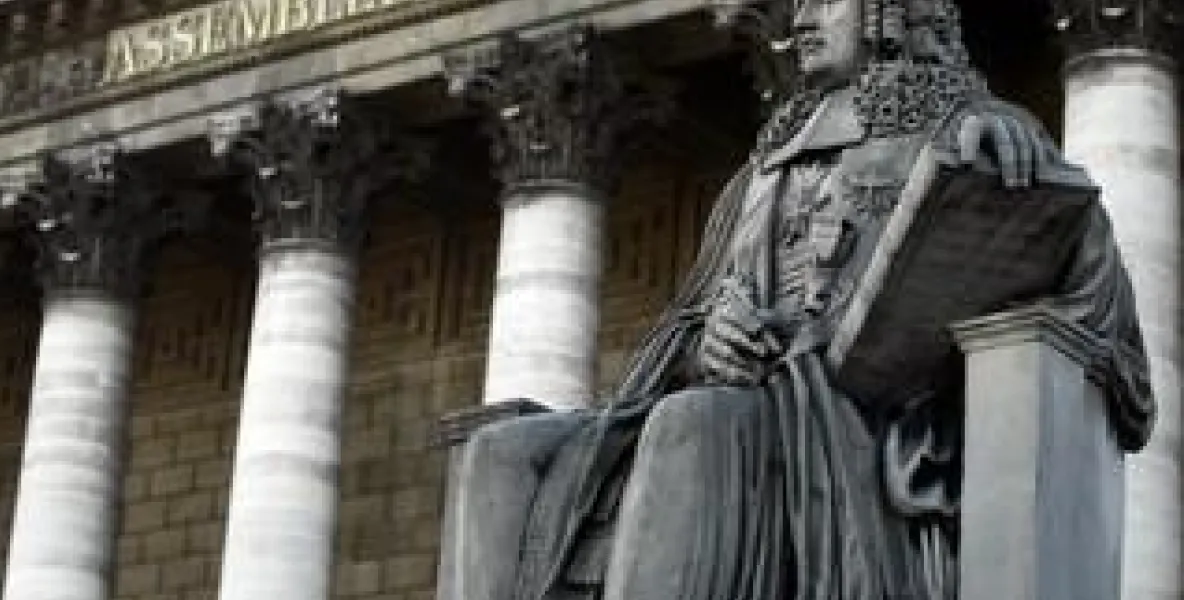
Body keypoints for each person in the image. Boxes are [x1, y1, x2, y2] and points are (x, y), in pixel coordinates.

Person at [445, 1, 1155, 599]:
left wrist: (1020, 167)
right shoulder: (766, 167)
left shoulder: (974, 133)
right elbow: (687, 321)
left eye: (826, 1)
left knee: (692, 424)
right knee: (499, 455)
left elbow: (1097, 291)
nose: (803, 18)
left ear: (888, 13)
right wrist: (705, 339)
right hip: (726, 399)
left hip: (856, 427)